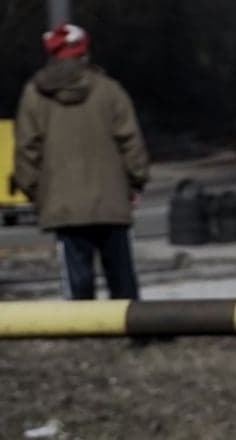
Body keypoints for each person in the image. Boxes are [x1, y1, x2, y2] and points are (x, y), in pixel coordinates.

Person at [12, 23, 150, 300]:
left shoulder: (34, 94)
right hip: (110, 197)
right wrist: (136, 178)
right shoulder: (109, 90)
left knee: (77, 278)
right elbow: (130, 139)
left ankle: (84, 331)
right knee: (121, 273)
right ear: (84, 52)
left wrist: (34, 190)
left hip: (62, 201)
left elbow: (27, 147)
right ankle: (134, 329)